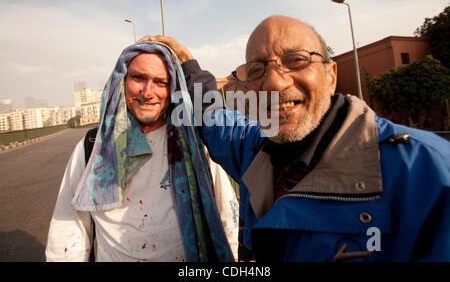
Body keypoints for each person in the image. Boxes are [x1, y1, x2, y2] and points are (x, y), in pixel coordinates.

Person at [142, 14, 450, 262]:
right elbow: (214, 121)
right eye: (257, 69)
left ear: (330, 76)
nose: (275, 82)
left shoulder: (427, 173)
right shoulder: (255, 150)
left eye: (296, 60)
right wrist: (189, 65)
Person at [45, 42, 238, 262]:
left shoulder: (196, 143)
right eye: (138, 78)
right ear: (122, 81)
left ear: (173, 87)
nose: (147, 92)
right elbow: (69, 229)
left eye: (160, 82)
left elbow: (226, 216)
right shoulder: (93, 147)